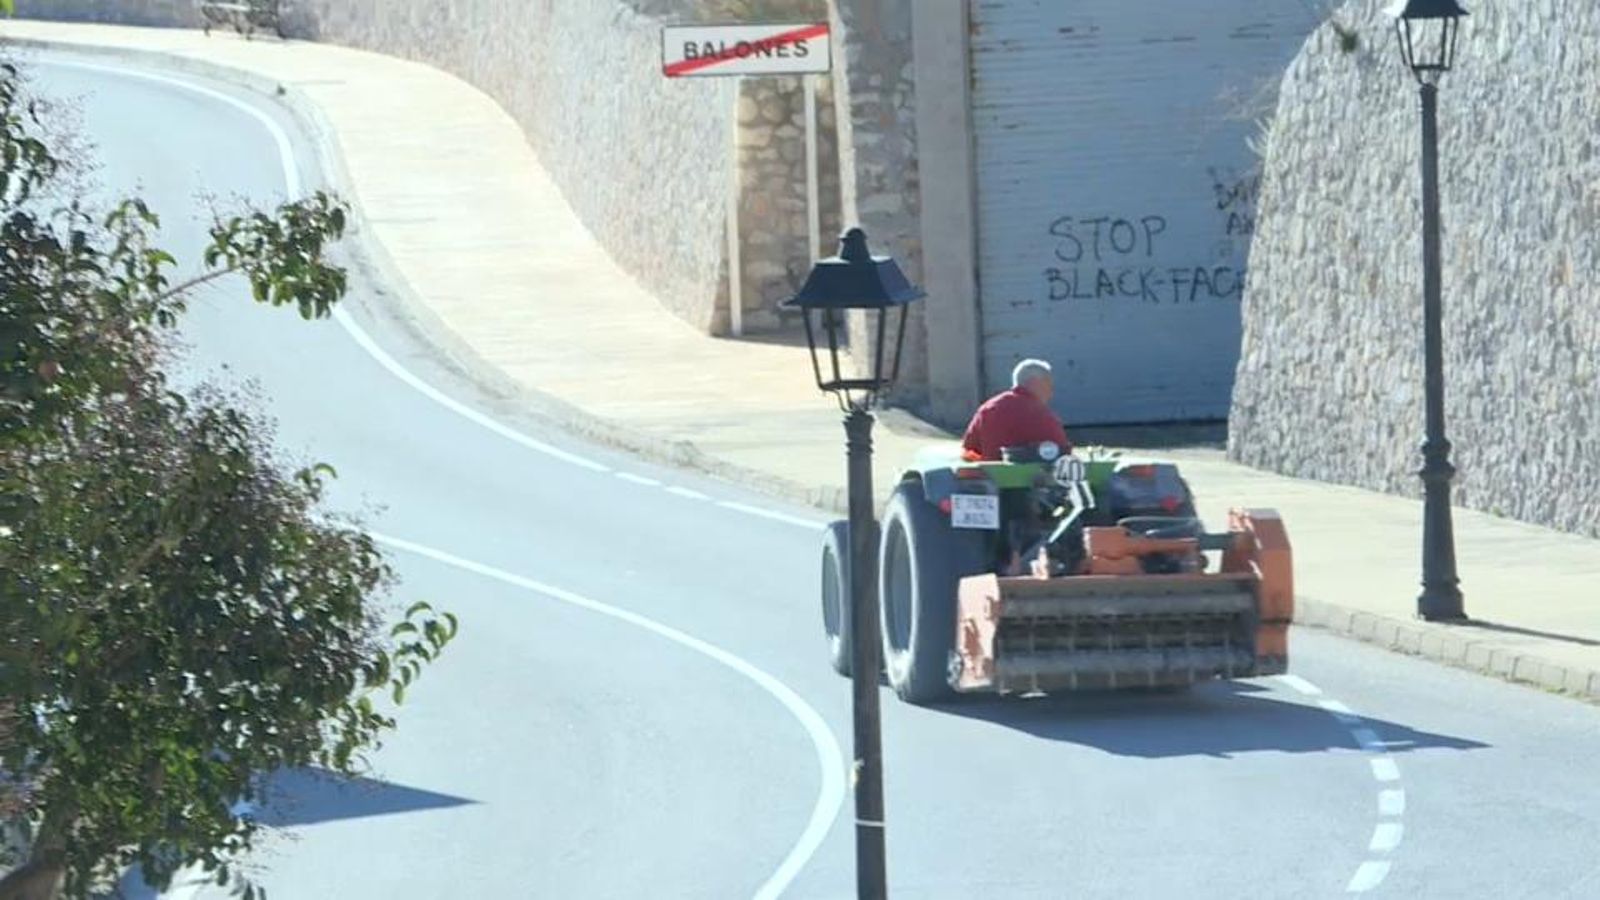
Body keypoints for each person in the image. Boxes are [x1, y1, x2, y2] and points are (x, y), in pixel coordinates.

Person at [960, 358, 1072, 462]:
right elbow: (1062, 453)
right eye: (1048, 384)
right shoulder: (1041, 414)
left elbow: (968, 452)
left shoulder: (988, 409)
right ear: (1035, 382)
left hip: (991, 479)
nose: (1051, 392)